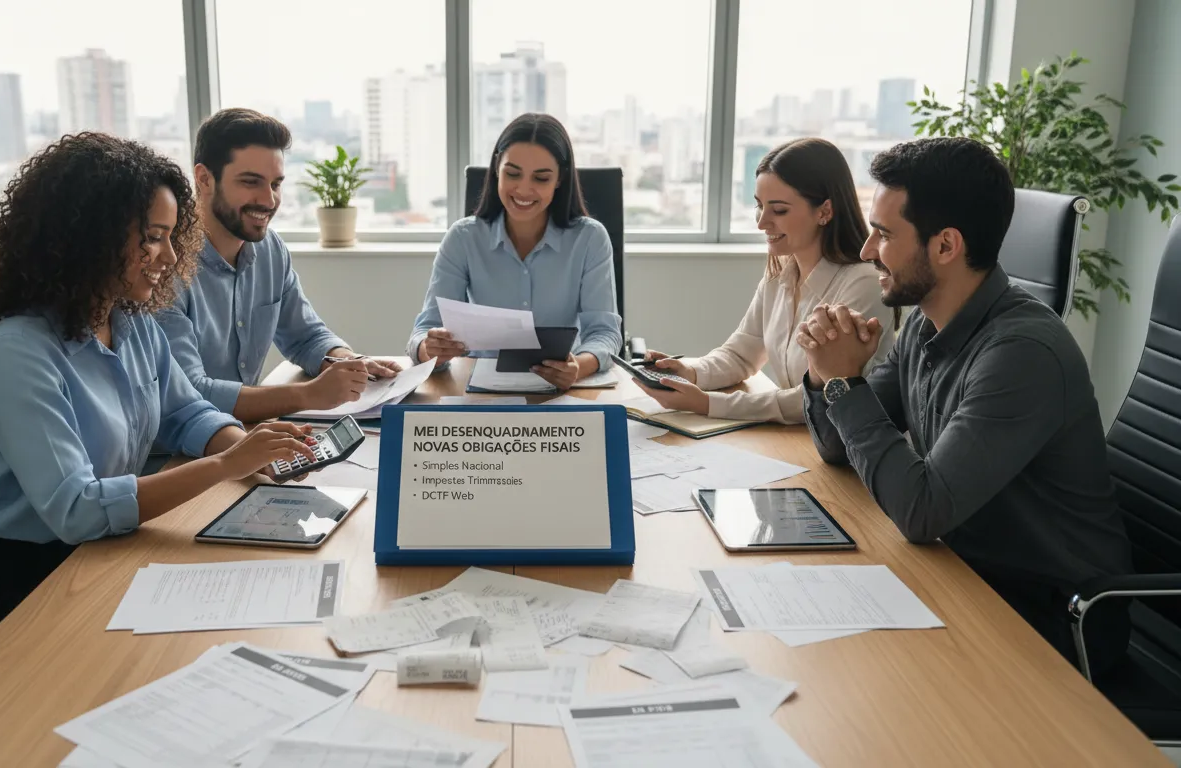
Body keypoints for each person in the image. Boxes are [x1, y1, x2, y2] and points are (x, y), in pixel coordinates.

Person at [0, 133, 314, 641]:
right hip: (17, 577)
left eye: (169, 236)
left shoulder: (130, 320)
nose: (167, 257)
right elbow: (76, 511)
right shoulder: (19, 350)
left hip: (102, 547)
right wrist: (226, 466)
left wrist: (250, 453)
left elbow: (187, 412)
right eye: (152, 237)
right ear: (91, 239)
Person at [795, 136, 1133, 671]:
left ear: (946, 246)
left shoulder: (1021, 353)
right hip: (966, 574)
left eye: (883, 234)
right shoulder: (925, 325)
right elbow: (837, 448)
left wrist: (844, 384)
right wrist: (825, 373)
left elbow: (920, 510)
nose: (865, 252)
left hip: (1052, 616)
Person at [156, 108, 400, 423]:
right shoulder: (164, 264)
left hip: (243, 434)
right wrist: (309, 395)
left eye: (275, 184)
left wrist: (347, 362)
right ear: (204, 179)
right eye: (250, 182)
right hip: (180, 451)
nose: (269, 201)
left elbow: (305, 336)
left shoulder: (270, 249)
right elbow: (189, 392)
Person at [643, 138, 896, 423]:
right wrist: (689, 372)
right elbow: (741, 354)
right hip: (803, 439)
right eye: (759, 206)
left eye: (779, 210)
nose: (762, 222)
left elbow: (821, 395)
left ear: (824, 211)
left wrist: (708, 404)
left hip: (845, 447)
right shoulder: (781, 274)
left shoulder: (864, 283)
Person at [407, 113, 622, 390]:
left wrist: (578, 367)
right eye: (513, 174)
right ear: (497, 167)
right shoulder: (462, 239)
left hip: (560, 391)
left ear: (560, 179)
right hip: (480, 393)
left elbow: (604, 332)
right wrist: (431, 349)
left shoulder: (590, 239)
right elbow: (424, 331)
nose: (524, 189)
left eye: (541, 178)